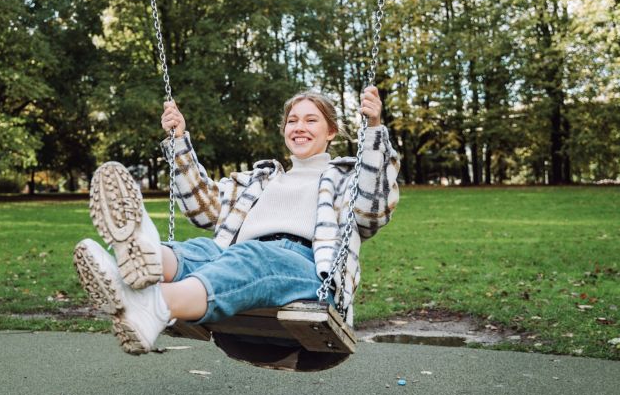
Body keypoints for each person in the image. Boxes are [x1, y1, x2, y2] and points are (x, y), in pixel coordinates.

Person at [73, 87, 400, 355]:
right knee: (201, 250)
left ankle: (154, 305)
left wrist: (373, 130)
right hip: (238, 259)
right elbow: (204, 209)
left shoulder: (346, 179)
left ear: (330, 131)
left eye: (311, 120)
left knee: (252, 256)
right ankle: (131, 264)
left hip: (309, 273)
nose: (299, 127)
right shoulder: (260, 180)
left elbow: (372, 211)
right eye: (292, 120)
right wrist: (178, 143)